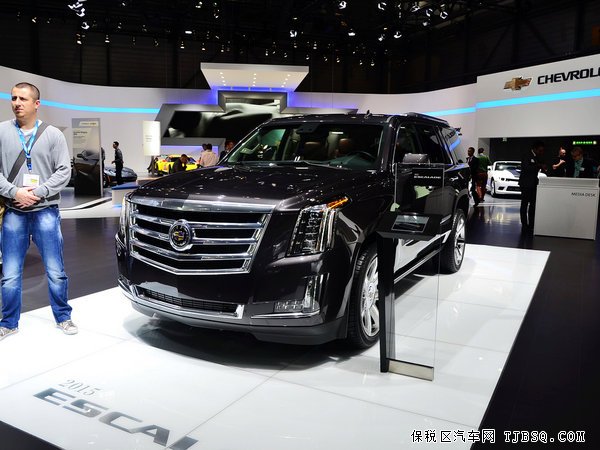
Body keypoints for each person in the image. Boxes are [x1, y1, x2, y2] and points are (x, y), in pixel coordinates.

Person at [0, 81, 77, 340]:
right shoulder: (2, 131)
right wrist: (15, 192)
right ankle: (9, 322)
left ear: (36, 103)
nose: (17, 103)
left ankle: (63, 317)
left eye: (22, 98)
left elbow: (64, 171)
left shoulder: (53, 134)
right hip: (14, 212)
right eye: (13, 98)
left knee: (56, 270)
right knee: (10, 274)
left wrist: (39, 191)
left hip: (46, 211)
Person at [518, 140, 545, 231]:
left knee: (533, 205)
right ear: (535, 149)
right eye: (540, 150)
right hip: (525, 184)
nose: (541, 152)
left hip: (533, 183)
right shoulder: (526, 155)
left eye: (542, 151)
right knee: (524, 204)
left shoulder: (537, 157)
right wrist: (539, 166)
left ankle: (532, 224)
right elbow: (526, 167)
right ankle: (524, 224)